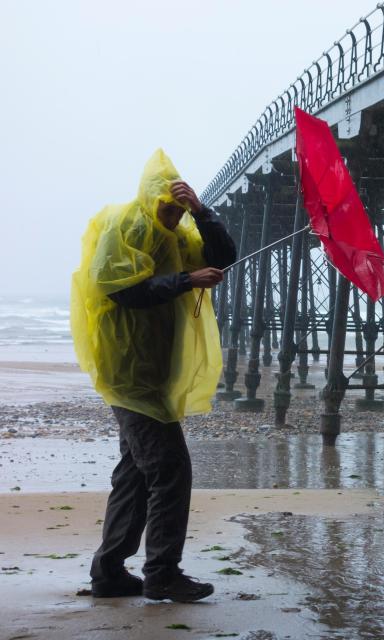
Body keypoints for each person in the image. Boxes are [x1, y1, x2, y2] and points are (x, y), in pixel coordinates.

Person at [70, 149, 237, 602]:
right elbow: (120, 287)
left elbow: (225, 256)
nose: (173, 213)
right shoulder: (126, 225)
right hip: (126, 370)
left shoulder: (180, 231)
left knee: (135, 471)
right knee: (169, 467)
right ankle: (162, 572)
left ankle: (108, 572)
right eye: (168, 205)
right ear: (150, 198)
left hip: (155, 372)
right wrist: (185, 281)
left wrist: (204, 212)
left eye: (180, 207)